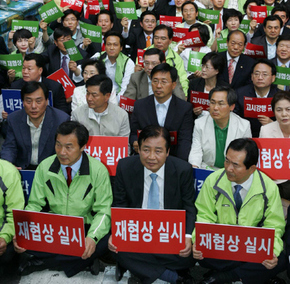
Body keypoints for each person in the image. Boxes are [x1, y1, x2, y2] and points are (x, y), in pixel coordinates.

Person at [14, 120, 112, 277]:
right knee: (20, 242)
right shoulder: (45, 167)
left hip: (83, 227)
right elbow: (34, 204)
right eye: (58, 145)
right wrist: (23, 233)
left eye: (69, 147)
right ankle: (81, 261)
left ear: (83, 147)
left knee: (105, 240)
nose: (61, 152)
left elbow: (104, 211)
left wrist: (92, 237)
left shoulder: (98, 171)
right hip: (54, 228)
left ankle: (43, 261)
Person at [192, 138, 287, 284]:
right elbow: (204, 216)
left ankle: (226, 276)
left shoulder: (268, 188)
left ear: (252, 168)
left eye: (235, 165)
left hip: (251, 245)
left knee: (279, 258)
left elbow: (275, 225)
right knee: (196, 253)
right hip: (223, 244)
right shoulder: (213, 181)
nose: (228, 168)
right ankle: (251, 275)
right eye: (227, 161)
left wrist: (271, 252)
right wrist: (198, 241)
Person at [109, 125, 195, 284]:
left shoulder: (183, 170)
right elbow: (119, 205)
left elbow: (189, 206)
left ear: (168, 152)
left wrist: (187, 236)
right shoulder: (125, 166)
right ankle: (173, 277)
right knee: (115, 247)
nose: (151, 157)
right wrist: (117, 232)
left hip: (168, 233)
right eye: (146, 150)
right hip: (137, 232)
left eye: (158, 151)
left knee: (189, 255)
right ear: (138, 149)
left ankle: (139, 269)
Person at [130, 64, 194, 161]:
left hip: (173, 159)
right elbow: (134, 133)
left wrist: (177, 166)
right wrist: (135, 141)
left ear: (173, 85)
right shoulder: (140, 105)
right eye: (155, 81)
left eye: (164, 82)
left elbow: (184, 141)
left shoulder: (184, 108)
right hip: (145, 158)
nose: (158, 86)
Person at [1, 81, 69, 169]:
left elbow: (64, 152)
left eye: (38, 101)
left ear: (47, 101)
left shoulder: (61, 120)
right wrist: (8, 166)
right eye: (28, 101)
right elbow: (9, 147)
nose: (33, 106)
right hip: (23, 168)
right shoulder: (14, 119)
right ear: (23, 102)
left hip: (51, 169)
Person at [188, 86, 251, 169]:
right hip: (207, 169)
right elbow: (196, 151)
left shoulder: (243, 125)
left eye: (221, 104)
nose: (215, 108)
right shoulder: (200, 123)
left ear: (232, 106)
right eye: (212, 102)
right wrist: (194, 167)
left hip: (233, 171)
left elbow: (245, 156)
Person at [234, 60, 277, 137]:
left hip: (272, 137)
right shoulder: (240, 94)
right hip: (245, 136)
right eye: (256, 74)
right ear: (252, 77)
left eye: (264, 74)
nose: (260, 78)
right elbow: (235, 118)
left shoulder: (279, 96)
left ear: (273, 78)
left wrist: (273, 124)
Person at [260, 91, 290, 199]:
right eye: (279, 110)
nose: (284, 114)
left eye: (288, 109)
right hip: (275, 181)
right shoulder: (266, 130)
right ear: (274, 112)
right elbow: (264, 161)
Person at [94, 31, 135, 103]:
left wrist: (113, 104)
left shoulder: (128, 63)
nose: (111, 48)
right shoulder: (98, 57)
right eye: (109, 44)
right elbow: (82, 70)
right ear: (105, 46)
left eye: (115, 45)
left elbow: (124, 89)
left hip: (118, 99)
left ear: (121, 47)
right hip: (98, 97)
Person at [147, 25, 188, 95]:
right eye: (156, 38)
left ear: (170, 41)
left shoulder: (176, 58)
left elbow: (182, 80)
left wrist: (184, 95)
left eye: (163, 38)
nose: (159, 41)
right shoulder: (143, 54)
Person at [0, 159, 24, 273]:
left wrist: (4, 237)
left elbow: (14, 213)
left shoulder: (8, 172)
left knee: (7, 254)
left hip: (1, 231)